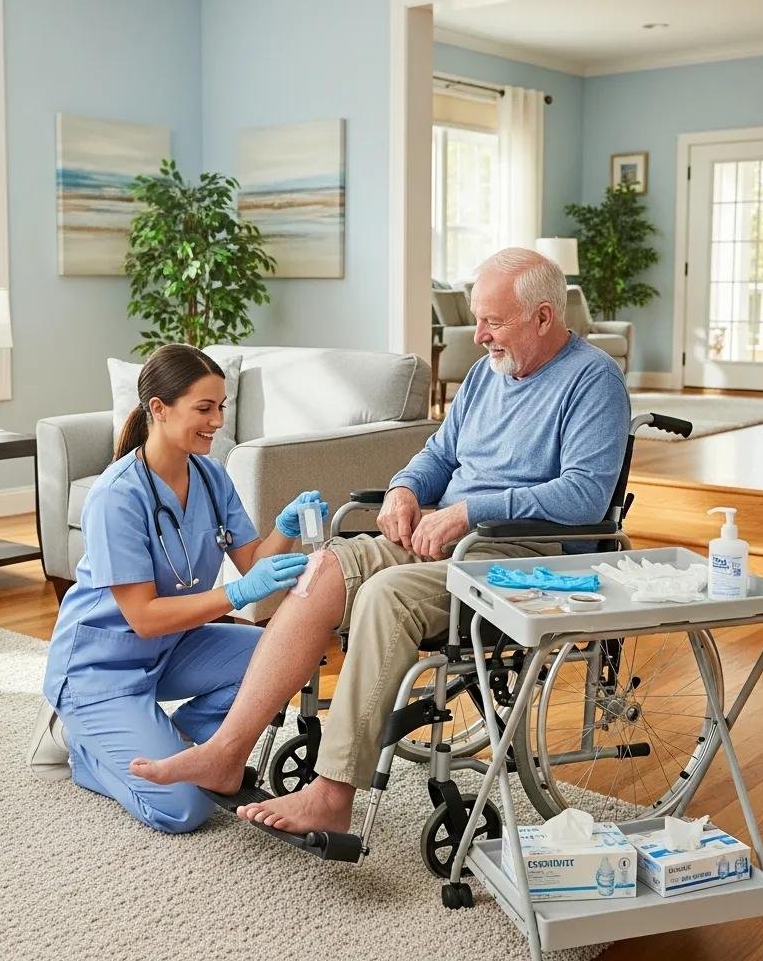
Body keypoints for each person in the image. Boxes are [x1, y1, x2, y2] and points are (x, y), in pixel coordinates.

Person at [128, 248, 631, 837]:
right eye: (478, 319)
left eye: (494, 321)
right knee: (324, 567)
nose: (481, 335)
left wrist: (469, 512)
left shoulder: (593, 380)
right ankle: (226, 750)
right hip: (451, 538)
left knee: (386, 595)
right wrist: (403, 488)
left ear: (543, 317)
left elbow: (583, 498)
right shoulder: (484, 377)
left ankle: (333, 790)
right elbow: (439, 456)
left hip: (523, 555)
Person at [40, 344, 325, 834]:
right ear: (158, 408)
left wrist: (286, 527)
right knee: (184, 807)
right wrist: (236, 596)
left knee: (287, 652)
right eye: (204, 408)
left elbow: (252, 561)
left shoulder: (211, 476)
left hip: (172, 649)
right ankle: (85, 749)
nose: (217, 421)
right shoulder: (116, 496)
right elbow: (144, 618)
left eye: (221, 408)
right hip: (100, 667)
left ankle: (182, 748)